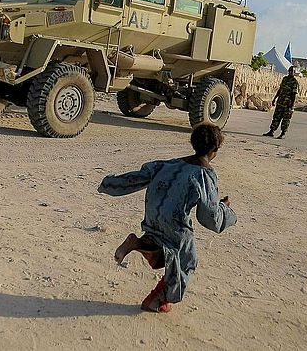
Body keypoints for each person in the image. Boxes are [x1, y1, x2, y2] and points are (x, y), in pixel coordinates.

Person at [98, 124, 236, 313]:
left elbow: (136, 178)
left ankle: (137, 242)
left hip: (153, 215)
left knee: (162, 246)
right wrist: (224, 208)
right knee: (186, 261)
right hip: (174, 222)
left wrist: (108, 183)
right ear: (215, 150)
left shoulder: (167, 164)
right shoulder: (205, 175)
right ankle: (157, 299)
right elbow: (209, 217)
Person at [263, 66, 299, 139]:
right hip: (280, 102)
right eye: (290, 71)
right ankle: (271, 131)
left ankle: (283, 133)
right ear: (288, 71)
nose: (291, 72)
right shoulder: (285, 79)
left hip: (288, 104)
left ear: (294, 73)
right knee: (276, 117)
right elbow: (280, 89)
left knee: (286, 119)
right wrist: (274, 99)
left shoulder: (294, 82)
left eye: (293, 71)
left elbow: (294, 94)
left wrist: (292, 105)